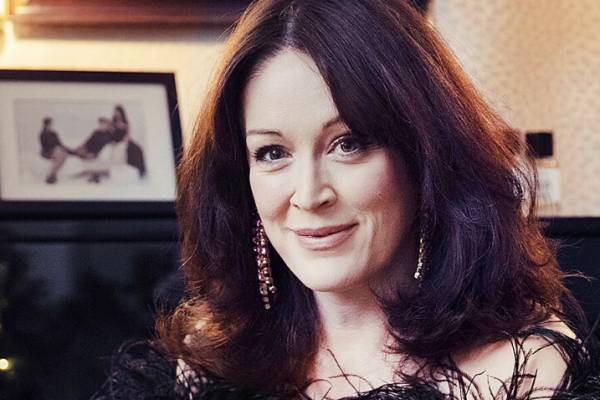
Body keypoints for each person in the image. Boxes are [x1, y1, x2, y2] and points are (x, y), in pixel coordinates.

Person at [91, 1, 600, 399]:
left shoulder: (519, 369)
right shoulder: (209, 363)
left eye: (348, 144)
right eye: (272, 153)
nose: (309, 195)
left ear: (423, 158)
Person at [38, 117, 74, 184]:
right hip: (46, 152)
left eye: (50, 124)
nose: (49, 126)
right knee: (59, 154)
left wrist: (70, 151)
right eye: (48, 124)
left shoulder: (54, 133)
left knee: (64, 154)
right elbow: (45, 146)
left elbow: (60, 143)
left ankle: (53, 174)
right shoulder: (42, 134)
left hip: (56, 151)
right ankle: (51, 176)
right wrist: (56, 148)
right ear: (45, 125)